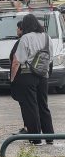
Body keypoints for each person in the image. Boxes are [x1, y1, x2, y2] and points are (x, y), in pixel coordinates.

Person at [11, 14, 54, 145]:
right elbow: (50, 58)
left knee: (31, 107)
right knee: (43, 105)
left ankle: (35, 138)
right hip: (43, 76)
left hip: (27, 75)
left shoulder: (25, 38)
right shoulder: (47, 37)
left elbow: (17, 60)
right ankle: (50, 136)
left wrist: (12, 78)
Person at [9, 21, 27, 135]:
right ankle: (27, 126)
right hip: (26, 75)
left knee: (24, 103)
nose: (16, 30)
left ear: (21, 29)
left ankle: (27, 127)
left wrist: (12, 78)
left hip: (21, 76)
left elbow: (16, 61)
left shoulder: (22, 41)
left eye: (17, 28)